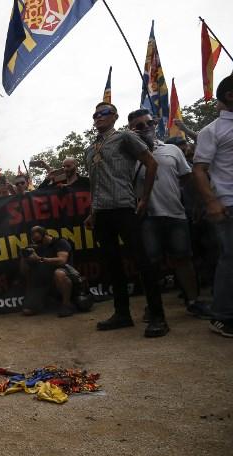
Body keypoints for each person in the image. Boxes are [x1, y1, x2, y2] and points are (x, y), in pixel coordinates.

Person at [84, 101, 168, 337]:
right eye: (95, 113)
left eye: (104, 113)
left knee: (142, 261)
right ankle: (122, 314)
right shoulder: (90, 149)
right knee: (112, 265)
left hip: (124, 208)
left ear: (114, 117)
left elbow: (151, 163)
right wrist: (92, 212)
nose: (98, 117)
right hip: (102, 213)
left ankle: (158, 316)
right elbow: (94, 184)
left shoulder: (124, 138)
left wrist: (144, 198)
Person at [128, 109, 212, 319]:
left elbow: (186, 178)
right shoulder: (128, 156)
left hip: (175, 213)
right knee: (151, 263)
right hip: (146, 217)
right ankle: (154, 306)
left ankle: (193, 301)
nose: (145, 127)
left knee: (183, 259)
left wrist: (197, 204)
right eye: (139, 126)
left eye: (149, 123)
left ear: (155, 123)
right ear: (131, 130)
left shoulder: (173, 150)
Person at [192, 76, 233, 337]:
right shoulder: (213, 130)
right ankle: (223, 315)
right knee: (231, 258)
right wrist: (212, 202)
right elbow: (199, 170)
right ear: (230, 95)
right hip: (229, 202)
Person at [20, 226, 78, 317]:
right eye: (34, 240)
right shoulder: (34, 248)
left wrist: (39, 259)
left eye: (38, 240)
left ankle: (67, 305)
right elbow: (24, 271)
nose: (37, 243)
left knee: (59, 274)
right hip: (44, 282)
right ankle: (48, 302)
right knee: (27, 311)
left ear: (45, 235)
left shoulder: (60, 242)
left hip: (62, 277)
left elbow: (62, 260)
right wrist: (24, 258)